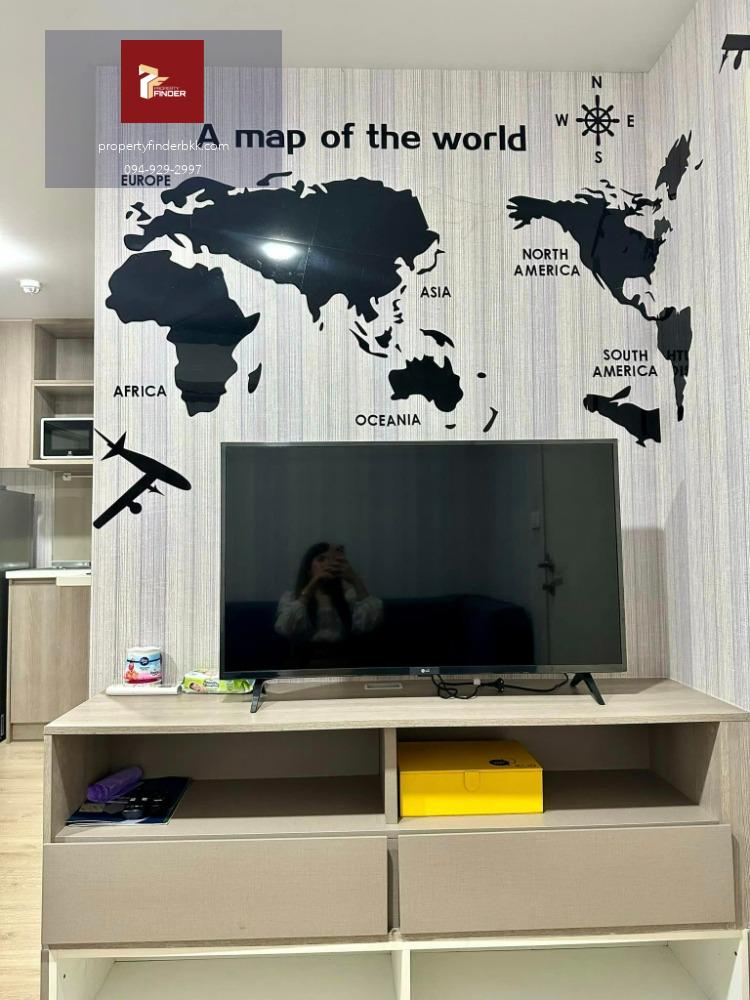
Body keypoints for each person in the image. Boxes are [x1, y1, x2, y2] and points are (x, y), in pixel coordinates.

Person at [274, 543, 383, 659]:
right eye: (321, 559)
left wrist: (354, 579)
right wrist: (312, 585)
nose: (327, 564)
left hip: (343, 660)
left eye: (331, 560)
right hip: (306, 660)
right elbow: (284, 627)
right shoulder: (293, 598)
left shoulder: (348, 596)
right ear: (309, 569)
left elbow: (372, 621)